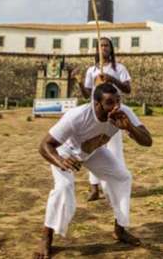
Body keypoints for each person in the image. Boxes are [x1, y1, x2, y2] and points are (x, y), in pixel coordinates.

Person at [35, 83, 152, 258]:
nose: (116, 107)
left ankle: (119, 230)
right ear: (97, 104)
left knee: (122, 177)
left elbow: (147, 141)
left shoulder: (123, 113)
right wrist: (60, 161)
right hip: (66, 154)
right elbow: (45, 145)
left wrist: (129, 127)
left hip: (93, 152)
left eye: (118, 101)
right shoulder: (77, 116)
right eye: (110, 103)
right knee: (64, 187)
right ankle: (46, 237)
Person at [77, 37, 132, 201]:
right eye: (100, 46)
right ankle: (94, 189)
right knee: (92, 150)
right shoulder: (91, 70)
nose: (103, 48)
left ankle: (117, 186)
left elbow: (127, 89)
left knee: (115, 151)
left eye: (106, 45)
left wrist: (112, 79)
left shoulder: (120, 68)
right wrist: (80, 83)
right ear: (97, 49)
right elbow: (88, 94)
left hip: (113, 113)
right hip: (95, 114)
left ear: (111, 49)